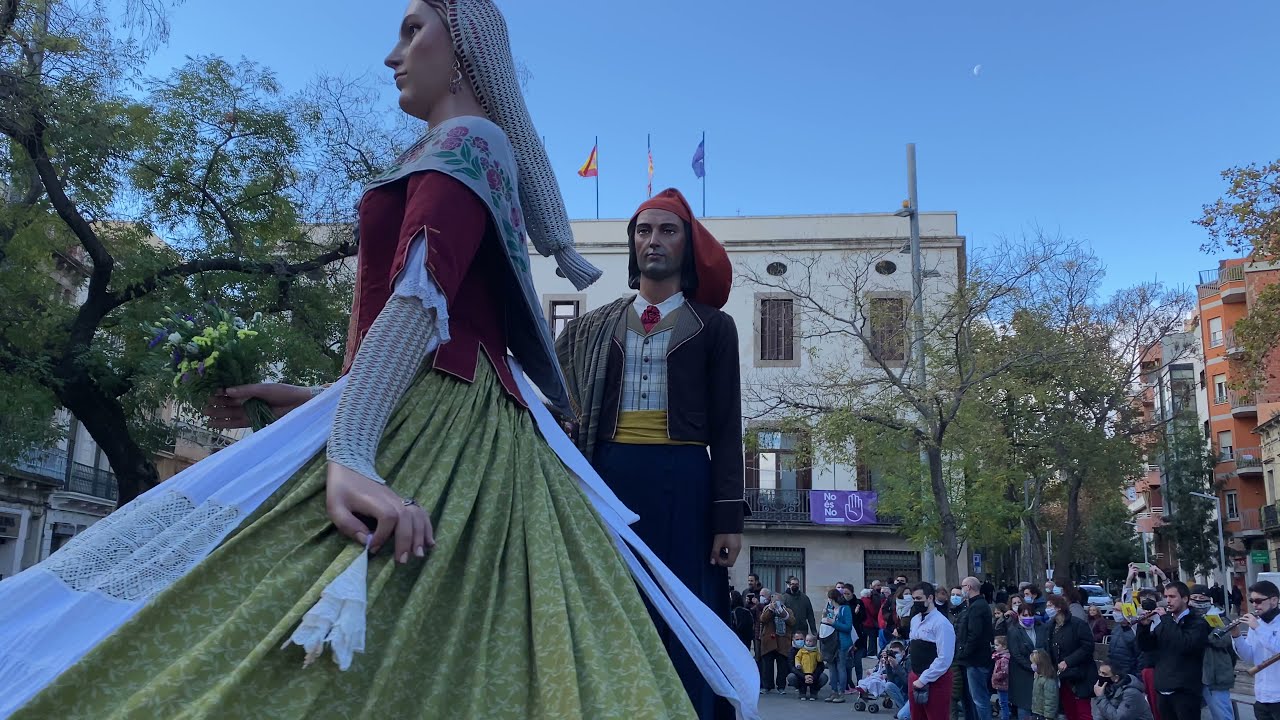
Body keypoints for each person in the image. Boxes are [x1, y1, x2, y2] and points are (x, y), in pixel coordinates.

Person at [0, 2, 767, 719]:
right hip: (437, 408)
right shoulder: (454, 151)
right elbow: (404, 326)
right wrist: (311, 401)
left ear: (462, 48)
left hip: (451, 418)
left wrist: (352, 444)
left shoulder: (470, 143)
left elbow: (419, 298)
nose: (393, 54)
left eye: (412, 29)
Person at [554, 179, 741, 718]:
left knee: (685, 605)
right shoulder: (595, 325)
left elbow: (729, 426)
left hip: (686, 477)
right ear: (632, 244)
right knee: (611, 600)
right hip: (607, 472)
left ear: (688, 245)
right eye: (643, 230)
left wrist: (729, 516)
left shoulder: (715, 327)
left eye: (667, 230)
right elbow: (555, 393)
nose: (653, 239)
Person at [1135, 582, 1210, 720]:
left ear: (1185, 598)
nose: (1168, 600)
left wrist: (1164, 619)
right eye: (1166, 596)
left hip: (1185, 690)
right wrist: (1144, 627)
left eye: (1172, 596)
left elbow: (1183, 644)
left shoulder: (1197, 623)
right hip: (1163, 687)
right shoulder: (1166, 621)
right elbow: (1146, 647)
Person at [906, 581, 956, 720]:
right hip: (915, 674)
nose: (916, 602)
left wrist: (924, 679)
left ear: (930, 598)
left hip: (936, 679)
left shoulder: (942, 623)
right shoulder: (915, 620)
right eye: (914, 599)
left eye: (919, 599)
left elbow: (944, 658)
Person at [1233, 580, 1280, 720]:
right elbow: (1249, 657)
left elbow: (1277, 649)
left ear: (1274, 600)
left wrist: (1257, 628)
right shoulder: (1256, 624)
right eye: (1252, 601)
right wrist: (1236, 637)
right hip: (1261, 697)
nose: (1254, 605)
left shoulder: (1257, 626)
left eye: (1258, 601)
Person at [1045, 593, 1096, 720]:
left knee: (1083, 712)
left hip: (1080, 675)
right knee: (1069, 710)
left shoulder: (1077, 624)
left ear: (1059, 607)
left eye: (1050, 606)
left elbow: (1088, 646)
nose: (1047, 609)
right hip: (1063, 677)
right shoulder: (1051, 626)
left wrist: (1068, 661)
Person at [1190, 583, 1236, 720]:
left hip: (1214, 677)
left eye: (1201, 598)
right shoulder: (1186, 618)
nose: (1198, 601)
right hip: (1190, 676)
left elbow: (1223, 640)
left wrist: (1205, 630)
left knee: (1222, 714)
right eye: (1194, 597)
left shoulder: (1219, 618)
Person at [955, 576, 995, 720]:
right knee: (978, 698)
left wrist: (963, 653)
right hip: (977, 658)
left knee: (979, 699)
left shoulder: (977, 607)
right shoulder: (978, 605)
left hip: (976, 660)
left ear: (969, 587)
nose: (961, 589)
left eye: (962, 586)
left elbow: (974, 634)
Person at [1007, 604, 1049, 720]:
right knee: (1024, 707)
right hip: (1022, 675)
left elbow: (1046, 647)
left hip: (1041, 673)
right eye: (1024, 615)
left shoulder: (1041, 628)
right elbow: (1016, 654)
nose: (1028, 617)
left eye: (1030, 615)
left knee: (1040, 707)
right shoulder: (1013, 631)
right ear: (1019, 615)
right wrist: (1031, 666)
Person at [759, 590, 795, 694]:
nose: (775, 603)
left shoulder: (788, 611)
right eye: (774, 600)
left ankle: (781, 686)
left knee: (782, 666)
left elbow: (792, 622)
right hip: (769, 642)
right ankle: (767, 686)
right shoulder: (767, 608)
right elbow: (763, 619)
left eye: (778, 601)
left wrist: (781, 611)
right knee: (767, 666)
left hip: (782, 642)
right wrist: (771, 609)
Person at [826, 586, 856, 702]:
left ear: (833, 599)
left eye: (829, 599)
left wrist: (834, 623)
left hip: (842, 642)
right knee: (832, 668)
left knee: (841, 667)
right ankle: (834, 691)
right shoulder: (830, 610)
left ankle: (841, 692)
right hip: (831, 642)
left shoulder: (845, 609)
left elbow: (848, 627)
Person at [788, 634, 826, 701]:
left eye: (801, 639)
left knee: (821, 678)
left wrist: (813, 676)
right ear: (793, 640)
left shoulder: (815, 650)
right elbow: (793, 665)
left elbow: (820, 664)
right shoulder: (798, 651)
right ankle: (802, 693)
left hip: (813, 672)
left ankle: (814, 693)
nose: (808, 642)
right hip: (802, 673)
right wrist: (803, 675)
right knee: (794, 678)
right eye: (797, 639)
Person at [1106, 607, 1139, 678]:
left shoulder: (1135, 631)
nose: (1114, 612)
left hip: (1128, 673)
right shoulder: (1116, 628)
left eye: (1118, 610)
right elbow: (1110, 651)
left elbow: (1139, 658)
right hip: (1113, 671)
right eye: (1114, 609)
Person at [1029, 649, 1059, 720]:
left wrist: (1048, 717)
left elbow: (1051, 700)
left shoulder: (1048, 680)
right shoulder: (1038, 676)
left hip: (1044, 715)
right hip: (1037, 712)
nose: (1032, 665)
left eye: (1034, 663)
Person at [992, 636, 1011, 720]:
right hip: (1000, 684)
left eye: (997, 645)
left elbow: (1004, 672)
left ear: (1004, 646)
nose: (994, 647)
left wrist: (995, 676)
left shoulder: (1003, 658)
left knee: (1003, 703)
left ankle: (1005, 717)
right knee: (1003, 702)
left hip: (1002, 684)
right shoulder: (999, 657)